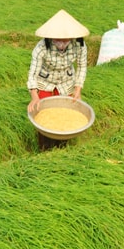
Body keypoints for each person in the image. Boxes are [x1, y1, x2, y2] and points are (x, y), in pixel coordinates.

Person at [27, 9, 89, 150]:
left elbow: (82, 66)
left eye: (65, 39)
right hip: (45, 82)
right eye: (58, 39)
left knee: (65, 114)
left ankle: (63, 147)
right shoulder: (41, 47)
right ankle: (44, 147)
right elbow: (33, 73)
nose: (61, 42)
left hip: (66, 81)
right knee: (42, 114)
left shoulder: (80, 45)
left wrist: (78, 89)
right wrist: (34, 97)